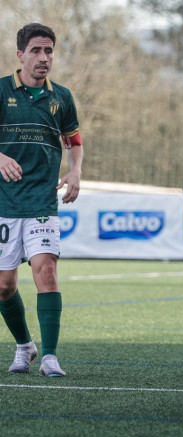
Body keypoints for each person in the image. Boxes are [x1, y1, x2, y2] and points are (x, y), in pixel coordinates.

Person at [0, 24, 83, 377]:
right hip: (5, 204)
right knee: (4, 286)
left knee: (45, 271)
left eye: (49, 51)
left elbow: (74, 141)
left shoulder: (61, 97)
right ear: (20, 55)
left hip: (42, 203)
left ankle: (50, 355)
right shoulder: (2, 90)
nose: (43, 58)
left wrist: (75, 170)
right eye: (36, 50)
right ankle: (25, 346)